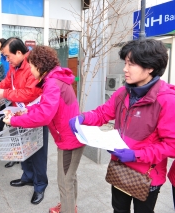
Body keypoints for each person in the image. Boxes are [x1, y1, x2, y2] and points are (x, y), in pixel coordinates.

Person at [69, 39, 175, 213]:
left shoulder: (167, 100)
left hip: (147, 176)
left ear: (150, 67)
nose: (125, 69)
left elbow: (171, 145)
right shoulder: (123, 92)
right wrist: (82, 118)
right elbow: (103, 113)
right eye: (125, 63)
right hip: (119, 168)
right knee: (118, 209)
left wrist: (135, 155)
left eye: (131, 64)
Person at [3, 46, 84, 213]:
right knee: (70, 177)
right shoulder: (55, 79)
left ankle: (68, 209)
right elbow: (45, 106)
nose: (31, 71)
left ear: (39, 65)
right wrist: (28, 110)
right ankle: (70, 206)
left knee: (64, 182)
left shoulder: (52, 83)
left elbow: (44, 116)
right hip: (72, 135)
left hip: (68, 139)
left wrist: (15, 120)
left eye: (31, 66)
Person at [0, 37, 48, 205]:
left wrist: (5, 94)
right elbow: (7, 82)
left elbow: (30, 93)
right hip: (19, 113)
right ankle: (27, 176)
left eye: (8, 56)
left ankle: (40, 185)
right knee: (23, 147)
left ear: (19, 53)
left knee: (38, 152)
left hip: (35, 114)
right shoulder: (14, 66)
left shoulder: (33, 66)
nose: (7, 60)